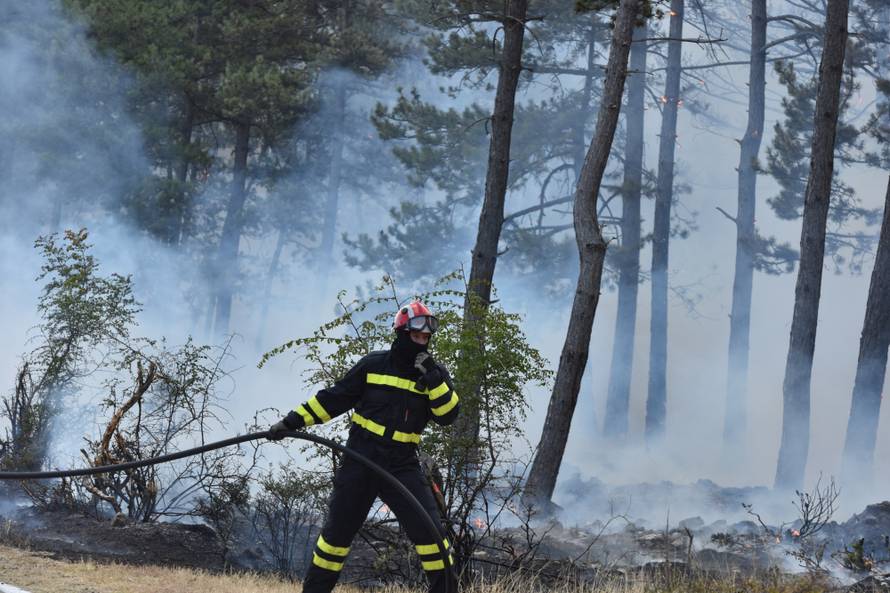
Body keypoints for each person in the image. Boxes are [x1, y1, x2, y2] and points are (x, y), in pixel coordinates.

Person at [269, 300, 460, 593]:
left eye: (426, 338)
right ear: (401, 334)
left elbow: (448, 416)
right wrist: (291, 422)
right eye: (416, 337)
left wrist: (433, 379)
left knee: (434, 539)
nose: (422, 343)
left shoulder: (434, 374)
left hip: (402, 466)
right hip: (361, 460)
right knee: (334, 541)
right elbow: (332, 399)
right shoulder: (373, 365)